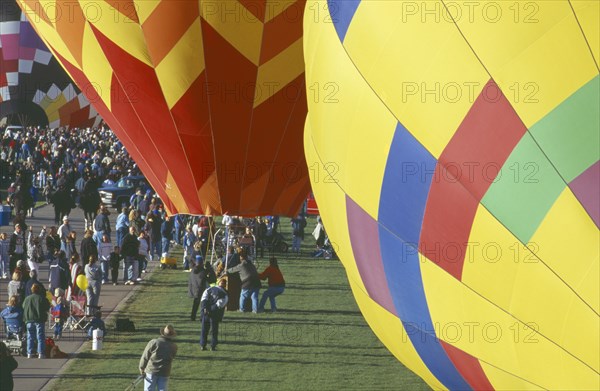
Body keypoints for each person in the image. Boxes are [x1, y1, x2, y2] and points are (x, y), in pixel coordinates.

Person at [139, 324, 178, 391]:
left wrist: (142, 368)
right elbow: (172, 357)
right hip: (165, 371)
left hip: (151, 371)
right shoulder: (174, 346)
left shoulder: (154, 342)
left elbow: (145, 356)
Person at [22, 283, 50, 359]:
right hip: (39, 319)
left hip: (29, 320)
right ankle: (41, 353)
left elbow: (23, 306)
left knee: (30, 337)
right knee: (40, 337)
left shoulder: (27, 298)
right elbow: (47, 307)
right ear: (39, 290)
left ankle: (29, 353)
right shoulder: (42, 298)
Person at [200, 278, 228, 351]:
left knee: (204, 330)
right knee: (214, 331)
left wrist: (205, 309)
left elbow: (203, 299)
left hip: (205, 313)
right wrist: (211, 310)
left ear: (218, 283)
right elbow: (220, 304)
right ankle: (213, 346)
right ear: (225, 285)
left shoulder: (209, 289)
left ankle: (203, 345)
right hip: (215, 314)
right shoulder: (224, 294)